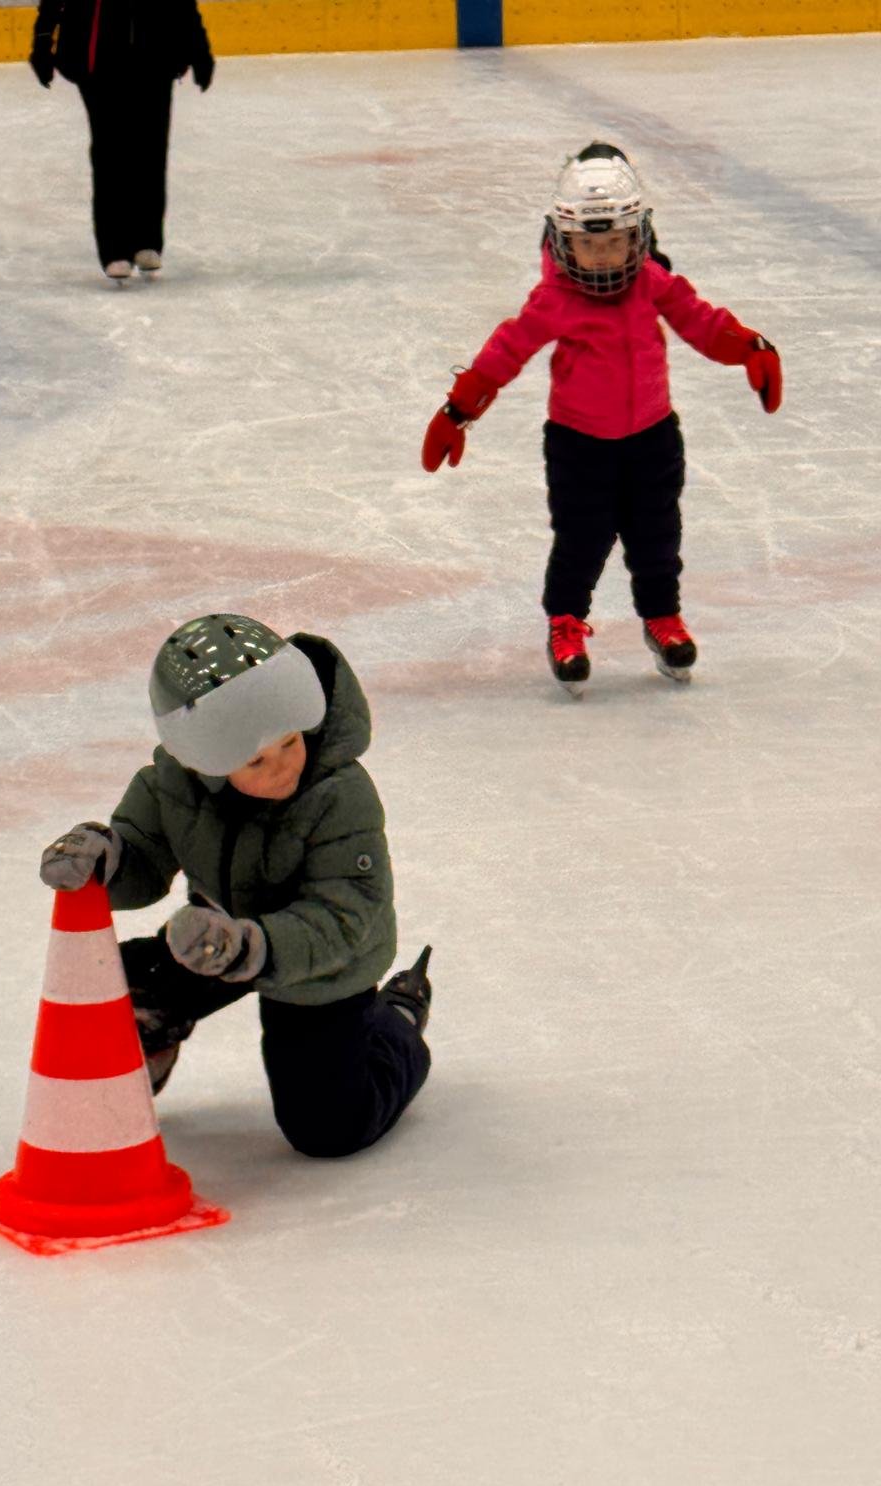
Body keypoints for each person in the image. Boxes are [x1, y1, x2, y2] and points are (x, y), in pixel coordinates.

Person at [39, 614, 432, 1159]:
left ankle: (397, 1022)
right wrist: (107, 860)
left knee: (328, 1129)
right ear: (206, 758)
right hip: (217, 936)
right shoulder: (172, 785)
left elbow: (344, 915)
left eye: (290, 741)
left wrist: (255, 947)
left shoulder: (340, 796)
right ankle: (151, 1030)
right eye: (256, 760)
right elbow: (143, 860)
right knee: (114, 980)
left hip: (320, 963)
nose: (282, 767)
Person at [422, 143, 783, 694]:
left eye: (615, 242)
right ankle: (565, 623)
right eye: (589, 245)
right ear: (564, 240)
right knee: (582, 539)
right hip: (579, 445)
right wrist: (458, 410)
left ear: (638, 235)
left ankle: (663, 618)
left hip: (653, 439)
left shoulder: (652, 282)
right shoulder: (555, 298)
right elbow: (506, 352)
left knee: (657, 536)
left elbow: (702, 322)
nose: (603, 257)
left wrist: (751, 347)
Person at [28, 0, 215, 282]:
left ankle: (147, 241)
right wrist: (42, 42)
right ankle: (114, 248)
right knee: (110, 152)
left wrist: (199, 49)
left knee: (150, 151)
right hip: (98, 60)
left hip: (155, 57)